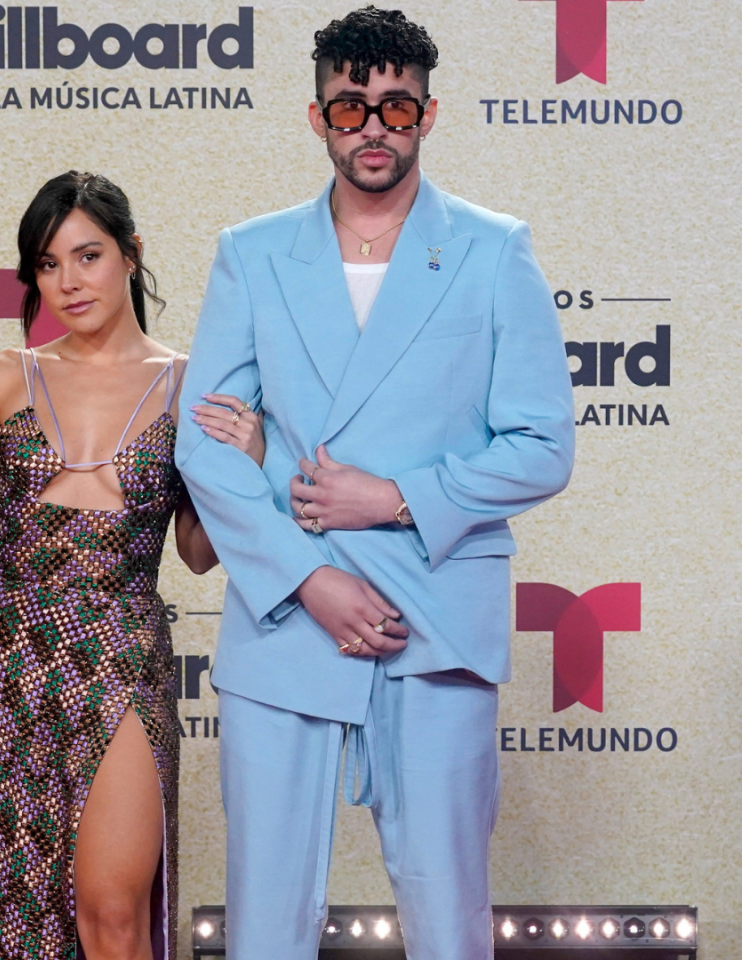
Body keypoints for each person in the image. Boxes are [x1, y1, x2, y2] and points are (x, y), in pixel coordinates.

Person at [177, 7, 575, 960]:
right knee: (264, 925)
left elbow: (542, 445)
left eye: (395, 109)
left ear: (428, 116)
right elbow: (203, 452)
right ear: (317, 116)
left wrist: (393, 497)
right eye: (351, 108)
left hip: (435, 619)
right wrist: (311, 579)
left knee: (449, 923)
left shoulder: (492, 248)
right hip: (286, 617)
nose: (372, 129)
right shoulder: (253, 253)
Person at [0, 171, 264, 960]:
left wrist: (250, 463)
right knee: (7, 913)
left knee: (112, 909)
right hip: (5, 660)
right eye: (46, 264)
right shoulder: (3, 376)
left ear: (131, 256)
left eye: (88, 255)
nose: (68, 282)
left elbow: (198, 555)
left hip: (121, 654)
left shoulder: (187, 387)